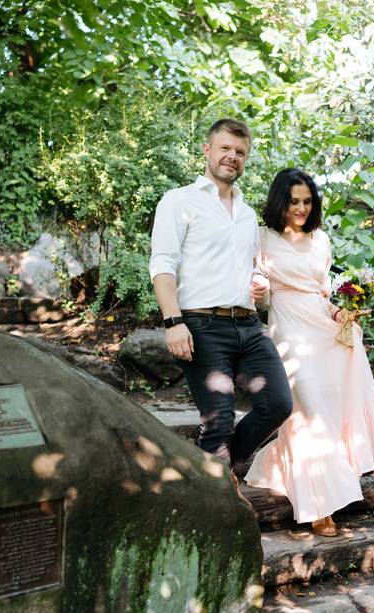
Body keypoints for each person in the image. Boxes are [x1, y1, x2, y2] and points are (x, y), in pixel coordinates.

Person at [244, 168, 374, 536]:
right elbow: (254, 292)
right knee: (307, 408)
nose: (301, 208)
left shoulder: (320, 240)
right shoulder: (261, 238)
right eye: (294, 201)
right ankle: (319, 505)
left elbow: (323, 291)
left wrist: (341, 312)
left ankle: (304, 479)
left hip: (323, 328)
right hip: (289, 327)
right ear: (280, 201)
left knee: (324, 410)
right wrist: (258, 292)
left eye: (307, 201)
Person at [148, 119, 292, 469]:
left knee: (278, 405)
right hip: (201, 327)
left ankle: (218, 476)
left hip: (248, 326)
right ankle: (222, 497)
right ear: (207, 150)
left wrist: (261, 287)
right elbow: (162, 264)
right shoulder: (179, 201)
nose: (232, 157)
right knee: (219, 424)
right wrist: (173, 321)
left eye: (240, 152)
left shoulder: (246, 214)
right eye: (225, 148)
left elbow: (254, 269)